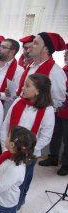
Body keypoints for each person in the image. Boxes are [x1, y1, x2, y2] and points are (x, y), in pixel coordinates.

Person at [0, 74, 55, 209]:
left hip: (28, 155)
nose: (22, 88)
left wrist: (26, 150)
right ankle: (0, 202)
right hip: (9, 148)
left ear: (38, 91)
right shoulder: (18, 102)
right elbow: (6, 126)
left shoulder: (47, 110)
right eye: (24, 84)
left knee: (21, 181)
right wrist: (5, 147)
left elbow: (45, 136)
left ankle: (15, 204)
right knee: (4, 177)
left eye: (27, 86)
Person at [44, 46, 68, 176]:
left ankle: (65, 164)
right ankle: (53, 157)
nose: (65, 56)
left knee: (67, 139)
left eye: (67, 54)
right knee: (55, 135)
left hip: (67, 112)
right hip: (57, 110)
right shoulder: (62, 70)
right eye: (65, 54)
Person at [0, 38, 24, 114]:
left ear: (12, 52)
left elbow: (14, 96)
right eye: (0, 46)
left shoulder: (19, 71)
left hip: (2, 111)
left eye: (3, 47)